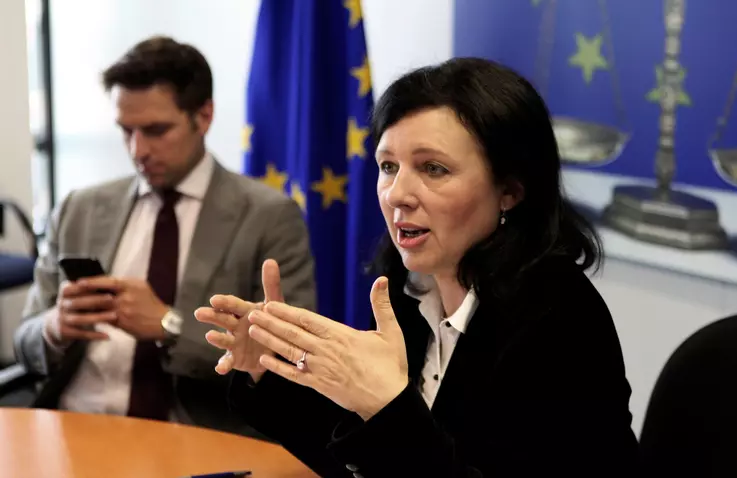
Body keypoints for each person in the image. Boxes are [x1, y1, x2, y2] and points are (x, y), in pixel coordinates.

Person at [196, 58, 639, 476]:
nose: (396, 194)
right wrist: (266, 368)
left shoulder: (559, 318)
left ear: (510, 191)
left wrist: (387, 409)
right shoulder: (410, 292)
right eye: (388, 166)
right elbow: (362, 463)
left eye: (433, 168)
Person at [12, 36, 316, 436]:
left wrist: (169, 325)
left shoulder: (268, 217)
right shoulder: (78, 209)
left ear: (203, 116)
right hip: (71, 426)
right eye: (127, 131)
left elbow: (289, 359)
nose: (138, 150)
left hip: (193, 436)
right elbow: (23, 340)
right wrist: (53, 328)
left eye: (156, 130)